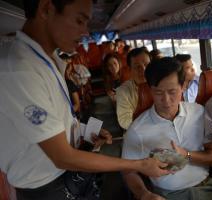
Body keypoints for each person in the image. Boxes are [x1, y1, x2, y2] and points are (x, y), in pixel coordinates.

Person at [0, 0, 170, 199]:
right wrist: (139, 165)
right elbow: (63, 157)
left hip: (67, 174)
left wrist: (84, 130)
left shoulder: (47, 62)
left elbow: (55, 120)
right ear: (46, 9)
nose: (85, 33)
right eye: (80, 21)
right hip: (48, 187)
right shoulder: (19, 70)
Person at [122, 57, 212, 200]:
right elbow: (129, 172)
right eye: (158, 93)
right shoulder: (136, 130)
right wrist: (144, 194)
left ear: (183, 86)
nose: (166, 100)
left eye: (172, 92)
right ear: (150, 90)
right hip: (167, 194)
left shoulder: (199, 113)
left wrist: (187, 155)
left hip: (206, 188)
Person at [116, 47, 151, 130]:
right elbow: (124, 121)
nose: (143, 69)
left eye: (146, 65)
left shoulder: (160, 84)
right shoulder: (123, 91)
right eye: (137, 67)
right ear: (130, 70)